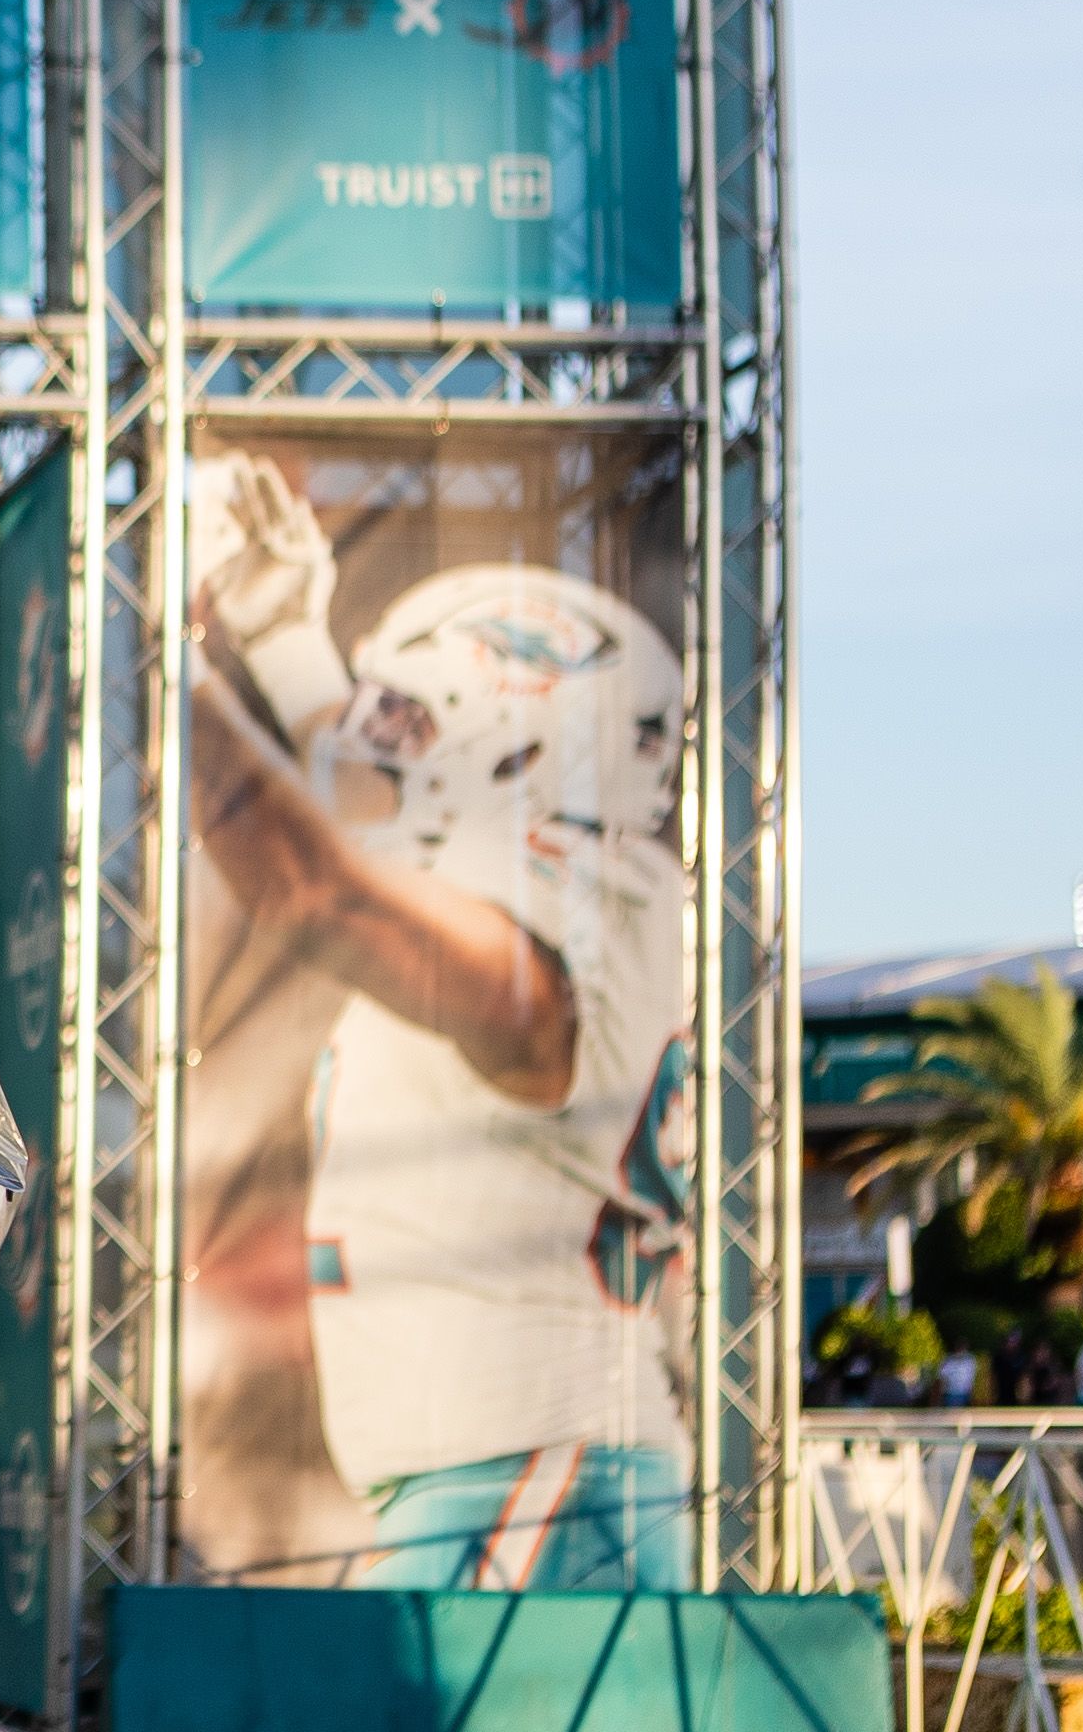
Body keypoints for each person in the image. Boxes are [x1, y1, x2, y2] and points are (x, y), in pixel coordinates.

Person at [172, 454, 695, 1593]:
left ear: (525, 756)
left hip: (543, 1468)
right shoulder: (553, 866)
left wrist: (153, 663)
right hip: (488, 1463)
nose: (368, 745)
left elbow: (325, 887)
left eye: (411, 725)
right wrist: (278, 639)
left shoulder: (581, 913)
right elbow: (378, 824)